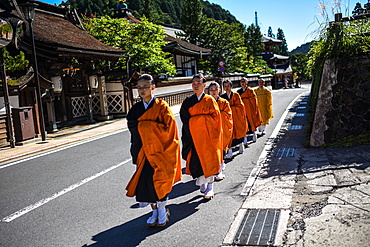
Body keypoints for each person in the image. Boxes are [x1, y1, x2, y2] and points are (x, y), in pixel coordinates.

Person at [126, 74, 182, 227]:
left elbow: (170, 129)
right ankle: (154, 210)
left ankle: (163, 209)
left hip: (161, 151)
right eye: (139, 87)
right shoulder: (136, 108)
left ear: (153, 87)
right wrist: (147, 128)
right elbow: (132, 126)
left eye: (145, 87)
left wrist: (147, 127)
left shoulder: (161, 106)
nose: (142, 90)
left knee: (160, 181)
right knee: (147, 183)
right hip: (143, 151)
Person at [180, 74, 223, 199]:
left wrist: (199, 121)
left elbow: (216, 119)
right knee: (197, 162)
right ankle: (202, 182)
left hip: (208, 137)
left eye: (198, 83)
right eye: (194, 83)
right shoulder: (188, 101)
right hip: (193, 136)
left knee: (209, 161)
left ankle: (210, 187)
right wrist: (196, 125)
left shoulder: (210, 100)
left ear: (204, 85)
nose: (196, 85)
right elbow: (185, 118)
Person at [208, 82, 233, 181]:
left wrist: (217, 116)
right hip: (209, 130)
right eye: (211, 90)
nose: (213, 92)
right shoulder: (206, 102)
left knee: (220, 150)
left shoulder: (224, 102)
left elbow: (228, 116)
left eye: (215, 90)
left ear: (219, 90)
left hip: (221, 129)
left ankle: (219, 170)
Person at [220, 80, 247, 159]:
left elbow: (240, 106)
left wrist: (232, 108)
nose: (226, 88)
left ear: (231, 86)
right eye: (225, 86)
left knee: (238, 132)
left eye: (228, 86)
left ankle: (241, 144)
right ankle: (230, 151)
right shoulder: (222, 97)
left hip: (236, 117)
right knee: (229, 134)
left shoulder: (236, 95)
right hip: (228, 118)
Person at [237, 77, 262, 146]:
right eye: (241, 82)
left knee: (251, 122)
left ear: (247, 82)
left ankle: (254, 134)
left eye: (244, 81)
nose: (242, 83)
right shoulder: (238, 91)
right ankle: (245, 139)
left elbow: (254, 99)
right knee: (244, 123)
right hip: (243, 109)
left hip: (250, 109)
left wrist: (247, 102)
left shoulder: (250, 90)